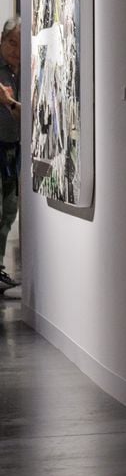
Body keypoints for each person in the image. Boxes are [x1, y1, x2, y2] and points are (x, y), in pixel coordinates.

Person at [0, 16, 20, 296]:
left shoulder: (26, 71)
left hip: (14, 150)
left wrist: (10, 103)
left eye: (20, 44)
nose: (16, 50)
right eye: (11, 42)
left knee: (8, 211)